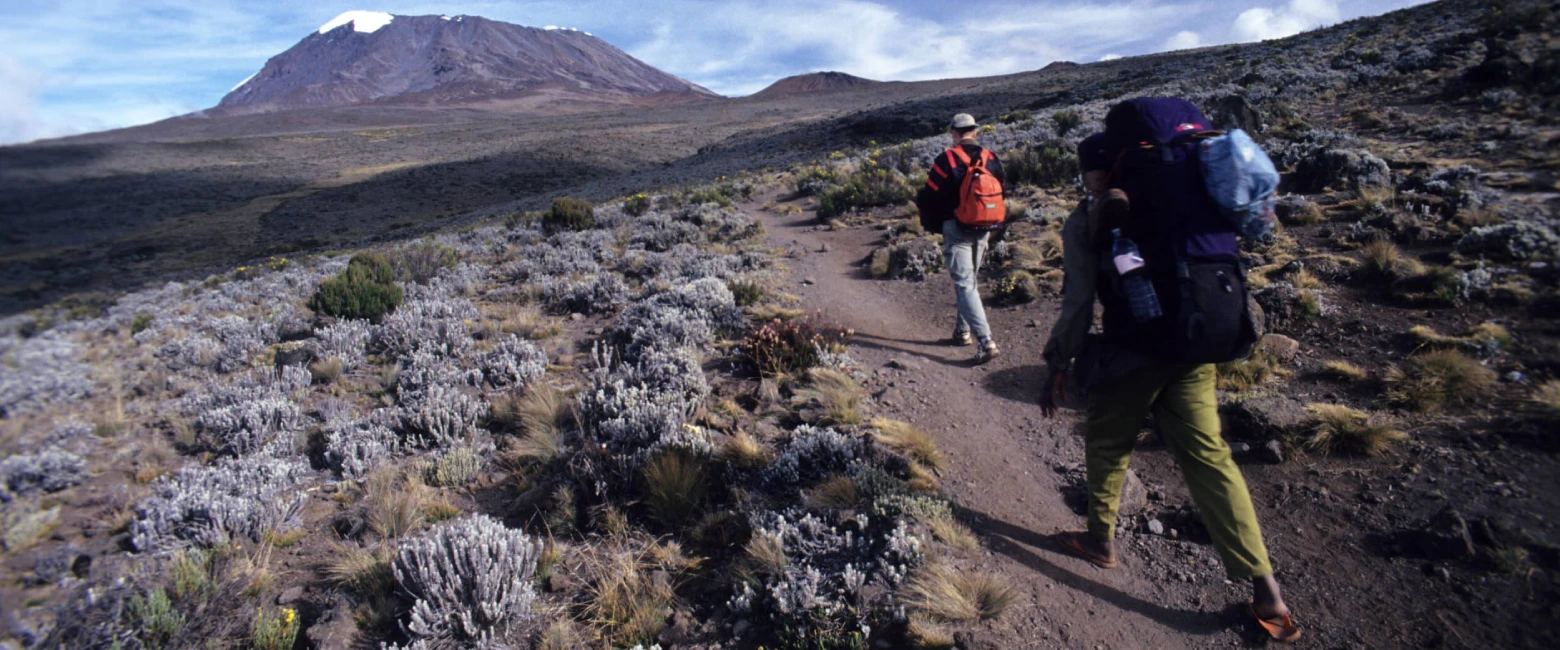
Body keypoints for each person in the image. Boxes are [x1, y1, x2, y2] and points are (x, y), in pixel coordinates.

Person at [1039, 101, 1300, 643]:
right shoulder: (1192, 187)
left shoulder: (1095, 213)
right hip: (1198, 342)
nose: (1086, 179)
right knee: (1210, 459)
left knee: (1108, 443)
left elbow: (1079, 301)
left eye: (1088, 171)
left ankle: (1099, 541)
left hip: (1135, 346)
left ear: (1102, 167)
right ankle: (1267, 592)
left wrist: (1059, 362)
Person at [914, 113, 1006, 364]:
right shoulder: (991, 158)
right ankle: (962, 331)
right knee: (970, 282)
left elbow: (929, 195)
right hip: (985, 226)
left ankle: (986, 342)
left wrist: (932, 220)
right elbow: (1002, 190)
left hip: (956, 228)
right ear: (975, 132)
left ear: (954, 133)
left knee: (965, 284)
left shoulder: (946, 159)